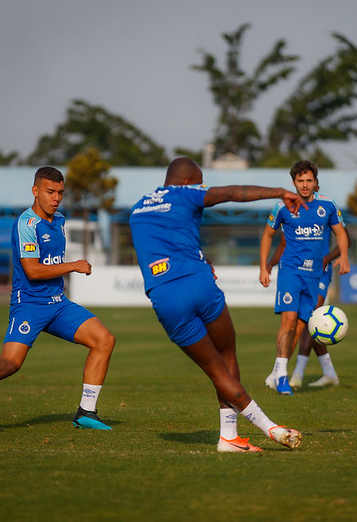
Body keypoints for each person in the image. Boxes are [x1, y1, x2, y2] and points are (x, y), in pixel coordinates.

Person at [129, 157, 303, 452]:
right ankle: (268, 427)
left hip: (164, 296)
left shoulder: (137, 208)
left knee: (214, 369)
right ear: (185, 181)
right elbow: (229, 193)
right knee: (227, 354)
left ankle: (229, 439)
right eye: (198, 181)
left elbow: (163, 244)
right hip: (198, 283)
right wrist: (278, 192)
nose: (201, 186)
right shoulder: (185, 193)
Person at [0, 167, 116, 434]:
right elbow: (33, 270)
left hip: (58, 304)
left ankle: (86, 411)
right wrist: (73, 265)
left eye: (60, 192)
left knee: (104, 340)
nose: (56, 198)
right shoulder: (26, 224)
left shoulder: (59, 220)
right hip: (29, 305)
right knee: (9, 365)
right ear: (35, 191)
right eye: (50, 192)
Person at [259, 160, 350, 395]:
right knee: (288, 322)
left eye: (309, 180)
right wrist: (264, 266)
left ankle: (282, 372)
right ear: (293, 183)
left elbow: (341, 232)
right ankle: (282, 376)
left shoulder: (327, 206)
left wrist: (344, 257)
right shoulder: (282, 208)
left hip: (315, 275)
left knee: (303, 326)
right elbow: (269, 235)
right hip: (291, 272)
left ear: (316, 182)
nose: (305, 185)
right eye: (300, 181)